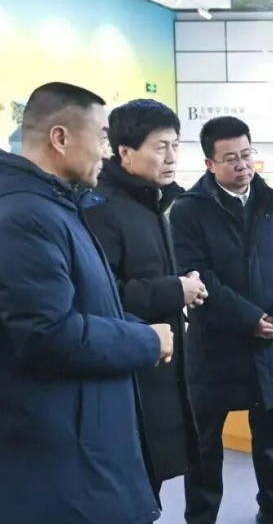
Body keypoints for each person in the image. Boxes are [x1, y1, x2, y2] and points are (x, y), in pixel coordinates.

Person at [0, 82, 174, 524]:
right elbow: (48, 333)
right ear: (60, 138)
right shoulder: (26, 217)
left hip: (84, 440)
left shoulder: (57, 206)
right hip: (62, 460)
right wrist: (145, 341)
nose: (106, 152)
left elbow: (92, 305)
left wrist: (136, 328)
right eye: (101, 137)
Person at [170, 116, 273, 524]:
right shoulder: (188, 210)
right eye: (230, 157)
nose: (242, 164)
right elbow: (197, 276)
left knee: (269, 432)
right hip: (216, 344)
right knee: (204, 442)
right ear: (209, 164)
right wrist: (251, 318)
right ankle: (201, 516)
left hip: (271, 341)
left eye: (247, 154)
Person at [82, 99, 204, 496]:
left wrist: (181, 285)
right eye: (160, 147)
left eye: (175, 145)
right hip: (128, 369)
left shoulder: (152, 201)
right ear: (125, 152)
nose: (171, 157)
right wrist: (174, 290)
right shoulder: (103, 209)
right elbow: (102, 295)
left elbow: (145, 272)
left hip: (159, 362)